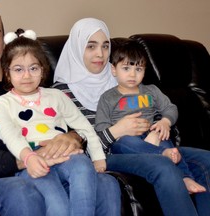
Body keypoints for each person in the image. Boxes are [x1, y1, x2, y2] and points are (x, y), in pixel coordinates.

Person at [0, 3, 120, 216]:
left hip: (46, 167)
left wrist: (73, 138)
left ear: (4, 40)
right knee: (22, 190)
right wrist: (28, 158)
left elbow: (69, 125)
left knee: (106, 183)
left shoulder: (33, 86)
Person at [53, 17, 210, 216]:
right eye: (90, 46)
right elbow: (75, 148)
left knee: (207, 160)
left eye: (105, 46)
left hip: (153, 144)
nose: (100, 54)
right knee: (163, 165)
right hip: (108, 155)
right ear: (76, 47)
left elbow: (160, 108)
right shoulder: (60, 93)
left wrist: (161, 125)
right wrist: (117, 130)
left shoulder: (121, 75)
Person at [0, 28, 107, 215]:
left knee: (83, 167)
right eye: (18, 69)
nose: (27, 75)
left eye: (33, 68)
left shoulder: (57, 96)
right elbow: (9, 134)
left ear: (42, 70)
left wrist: (98, 157)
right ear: (7, 73)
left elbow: (83, 125)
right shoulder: (1, 104)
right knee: (57, 202)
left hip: (65, 153)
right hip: (33, 158)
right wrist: (29, 157)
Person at [95, 39, 206, 194]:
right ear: (114, 70)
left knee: (165, 138)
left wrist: (165, 122)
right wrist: (118, 131)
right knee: (125, 142)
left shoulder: (151, 91)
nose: (132, 74)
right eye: (126, 68)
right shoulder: (107, 98)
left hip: (152, 133)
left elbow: (170, 108)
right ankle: (162, 154)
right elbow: (101, 127)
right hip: (125, 140)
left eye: (139, 69)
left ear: (145, 70)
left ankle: (185, 177)